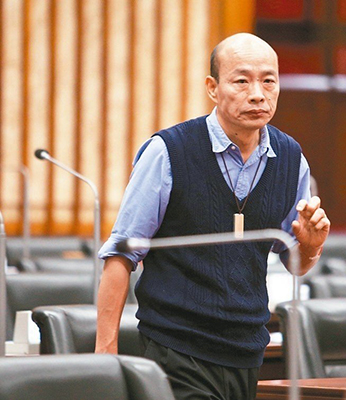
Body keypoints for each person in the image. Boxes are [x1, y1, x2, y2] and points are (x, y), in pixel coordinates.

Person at [95, 33, 330, 400]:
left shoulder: (291, 158)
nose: (258, 94)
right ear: (212, 88)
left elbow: (295, 262)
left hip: (247, 350)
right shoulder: (169, 152)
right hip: (176, 346)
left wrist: (310, 247)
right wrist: (105, 351)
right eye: (242, 81)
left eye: (269, 81)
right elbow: (121, 255)